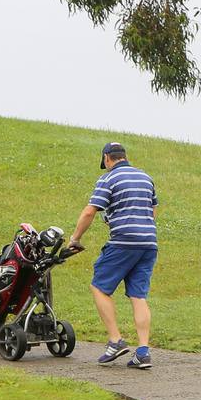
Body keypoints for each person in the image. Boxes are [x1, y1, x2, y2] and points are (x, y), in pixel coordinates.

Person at [69, 142, 158, 369]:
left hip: (123, 243)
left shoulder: (109, 179)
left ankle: (116, 340)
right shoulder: (145, 177)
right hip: (149, 243)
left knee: (99, 287)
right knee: (138, 295)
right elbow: (152, 210)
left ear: (107, 158)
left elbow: (90, 211)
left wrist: (75, 239)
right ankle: (143, 352)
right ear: (124, 156)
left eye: (105, 162)